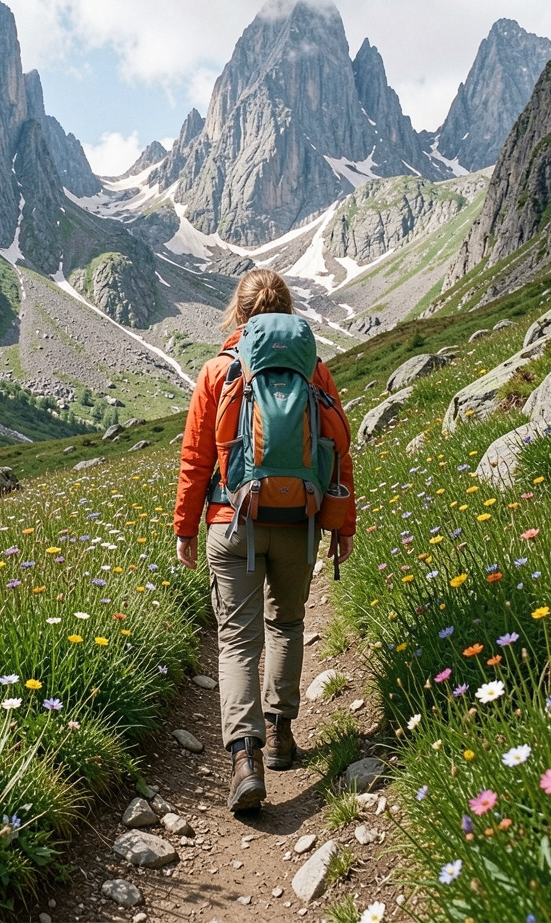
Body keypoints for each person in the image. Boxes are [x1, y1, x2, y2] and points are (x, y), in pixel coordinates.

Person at [173, 268, 356, 813]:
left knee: (236, 639)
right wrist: (341, 525)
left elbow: (195, 459)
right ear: (287, 311)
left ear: (240, 312)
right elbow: (337, 448)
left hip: (233, 521)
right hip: (298, 521)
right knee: (288, 623)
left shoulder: (217, 371)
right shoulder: (316, 372)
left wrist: (185, 527)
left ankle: (244, 760)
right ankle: (280, 733)